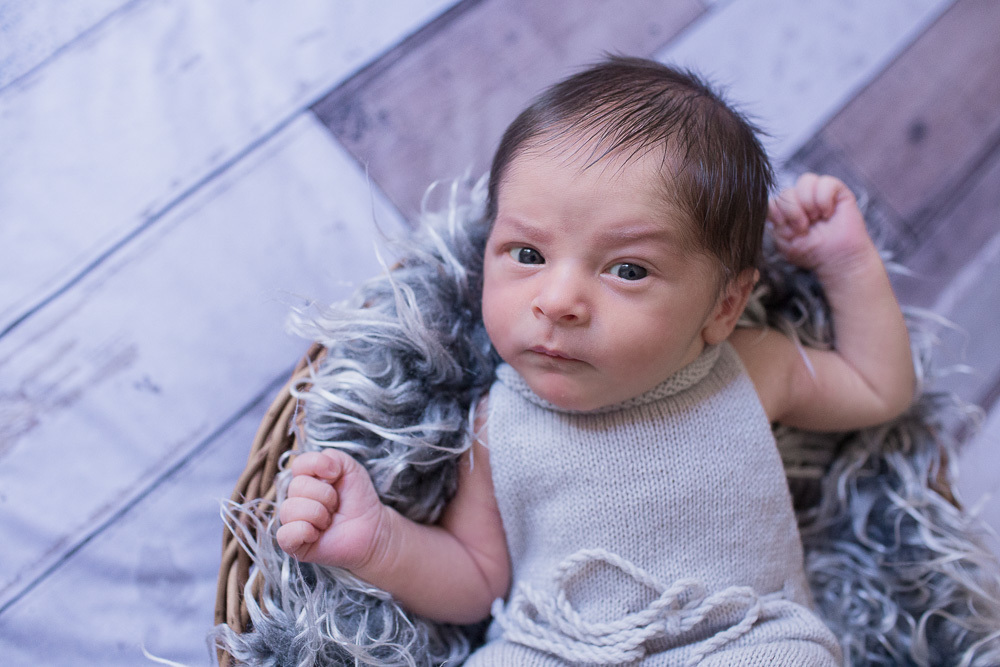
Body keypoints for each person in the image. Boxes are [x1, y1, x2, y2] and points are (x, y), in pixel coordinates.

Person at [275, 57, 915, 664]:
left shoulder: (750, 367)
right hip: (558, 647)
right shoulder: (499, 423)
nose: (557, 302)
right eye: (527, 254)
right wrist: (378, 542)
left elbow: (878, 387)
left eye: (628, 270)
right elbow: (477, 579)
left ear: (724, 305)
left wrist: (848, 263)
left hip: (735, 639)